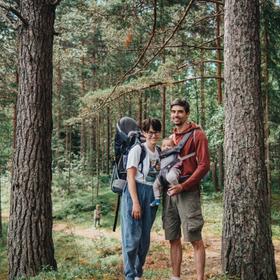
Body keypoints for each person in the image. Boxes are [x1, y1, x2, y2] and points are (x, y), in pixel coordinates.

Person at [163, 98, 210, 280]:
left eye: (180, 112)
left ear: (187, 113)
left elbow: (204, 165)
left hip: (187, 191)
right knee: (173, 237)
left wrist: (183, 186)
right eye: (173, 111)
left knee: (194, 237)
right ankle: (175, 277)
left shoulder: (197, 134)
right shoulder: (171, 137)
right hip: (169, 191)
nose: (176, 115)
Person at [121, 118, 161, 280]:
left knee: (144, 239)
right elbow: (130, 177)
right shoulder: (137, 150)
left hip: (151, 194)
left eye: (156, 131)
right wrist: (136, 202)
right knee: (131, 237)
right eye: (149, 132)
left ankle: (138, 272)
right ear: (144, 133)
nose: (153, 135)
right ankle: (129, 275)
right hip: (135, 192)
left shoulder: (159, 151)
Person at [150, 138, 182, 207]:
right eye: (164, 146)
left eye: (169, 145)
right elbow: (159, 165)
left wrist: (178, 164)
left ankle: (176, 188)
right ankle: (157, 198)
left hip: (173, 170)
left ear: (173, 147)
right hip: (163, 173)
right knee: (155, 185)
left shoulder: (175, 153)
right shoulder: (161, 156)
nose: (166, 147)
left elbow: (180, 160)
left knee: (171, 177)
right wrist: (157, 167)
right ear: (161, 147)